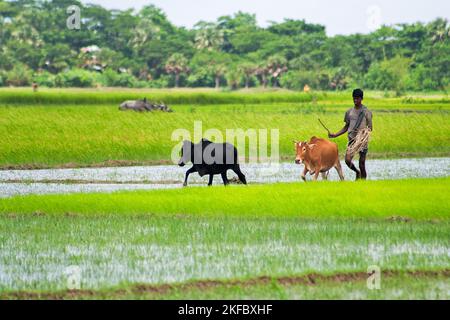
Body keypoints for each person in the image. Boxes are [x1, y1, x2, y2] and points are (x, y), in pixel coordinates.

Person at [328, 89, 373, 180]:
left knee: (362, 163)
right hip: (352, 140)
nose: (355, 101)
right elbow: (346, 126)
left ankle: (363, 183)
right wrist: (335, 134)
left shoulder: (367, 112)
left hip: (362, 142)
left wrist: (363, 135)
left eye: (357, 99)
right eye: (354, 99)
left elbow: (370, 128)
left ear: (361, 98)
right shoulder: (349, 112)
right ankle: (357, 172)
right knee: (347, 160)